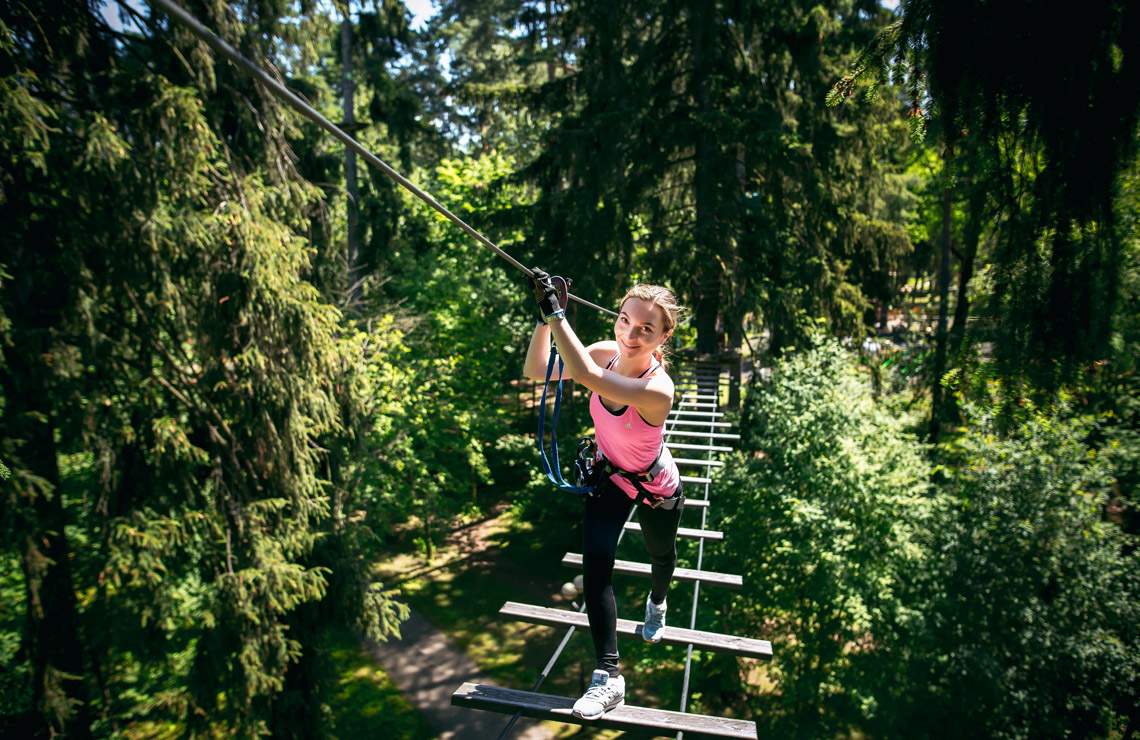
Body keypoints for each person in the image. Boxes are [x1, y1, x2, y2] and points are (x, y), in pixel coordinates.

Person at [523, 269, 686, 720]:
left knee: (662, 556)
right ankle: (609, 676)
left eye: (645, 329)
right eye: (623, 320)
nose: (630, 334)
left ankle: (658, 601)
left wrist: (557, 313)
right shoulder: (605, 353)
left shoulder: (658, 390)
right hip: (612, 474)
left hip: (655, 483)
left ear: (662, 336)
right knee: (595, 564)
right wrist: (544, 319)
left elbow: (584, 374)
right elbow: (537, 370)